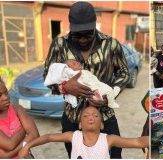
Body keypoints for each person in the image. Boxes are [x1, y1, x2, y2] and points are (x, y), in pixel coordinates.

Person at [43, 2, 130, 158]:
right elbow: (47, 76)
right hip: (72, 118)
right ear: (71, 26)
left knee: (114, 154)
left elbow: (124, 73)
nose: (82, 39)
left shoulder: (111, 45)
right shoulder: (59, 44)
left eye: (87, 34)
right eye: (77, 35)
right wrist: (65, 87)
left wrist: (108, 97)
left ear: (95, 25)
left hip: (104, 116)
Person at [18, 105, 149, 159]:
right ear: (79, 124)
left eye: (96, 116)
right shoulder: (73, 136)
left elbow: (137, 141)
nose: (91, 117)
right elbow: (49, 137)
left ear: (102, 125)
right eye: (85, 116)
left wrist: (155, 138)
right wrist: (28, 146)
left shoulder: (109, 139)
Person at [44, 60, 120, 109]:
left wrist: (106, 100)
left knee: (108, 90)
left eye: (76, 62)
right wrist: (63, 87)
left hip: (105, 114)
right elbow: (50, 75)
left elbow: (123, 73)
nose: (77, 63)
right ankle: (111, 97)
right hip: (72, 115)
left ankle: (111, 98)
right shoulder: (59, 43)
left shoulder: (110, 43)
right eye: (73, 63)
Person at [0, 77, 39, 158]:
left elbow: (35, 134)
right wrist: (25, 130)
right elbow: (9, 146)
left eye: (6, 93)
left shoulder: (17, 109)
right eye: (0, 95)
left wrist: (11, 152)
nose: (5, 97)